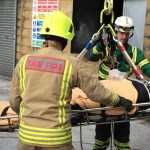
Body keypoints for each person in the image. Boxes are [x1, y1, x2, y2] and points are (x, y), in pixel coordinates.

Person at [8, 11, 133, 150]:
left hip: (26, 139)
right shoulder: (71, 63)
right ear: (66, 38)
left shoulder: (24, 61)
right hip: (56, 140)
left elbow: (14, 101)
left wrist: (30, 116)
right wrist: (119, 101)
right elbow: (95, 91)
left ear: (45, 35)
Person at [86, 16, 150, 150]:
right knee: (101, 137)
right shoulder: (106, 48)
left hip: (123, 98)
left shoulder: (133, 52)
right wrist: (99, 45)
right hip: (104, 96)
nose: (124, 36)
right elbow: (90, 56)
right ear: (115, 31)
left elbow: (146, 68)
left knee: (122, 138)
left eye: (127, 33)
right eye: (121, 32)